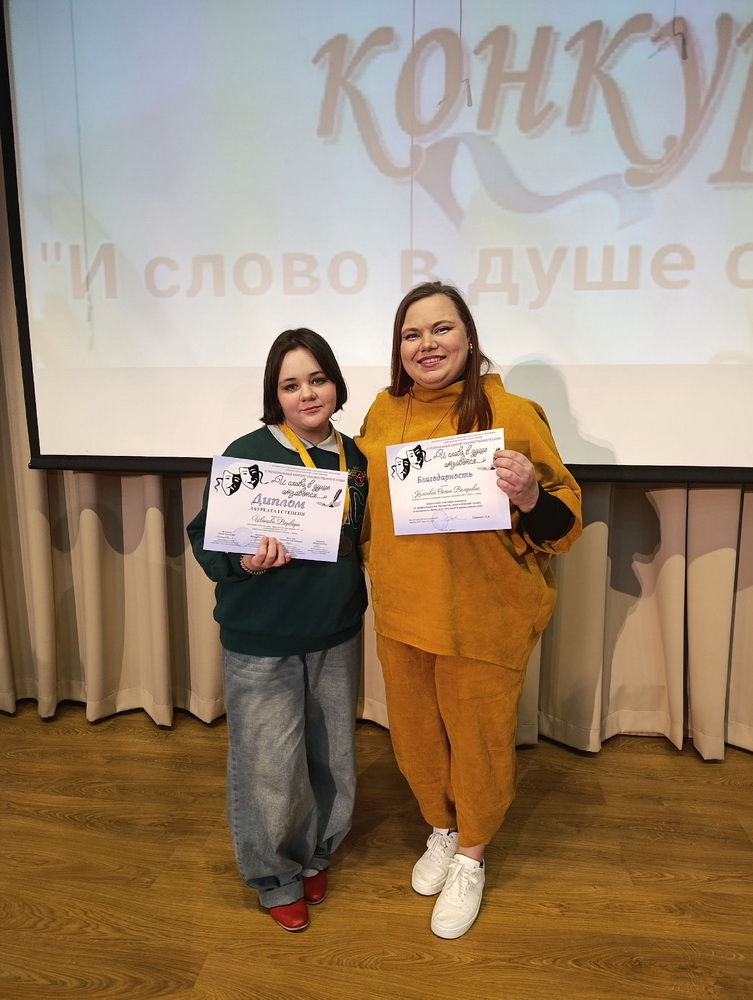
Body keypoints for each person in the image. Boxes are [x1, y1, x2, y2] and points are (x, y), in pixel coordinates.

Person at [355, 281, 581, 940]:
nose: (426, 344)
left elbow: (564, 520)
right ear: (398, 347)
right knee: (416, 740)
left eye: (441, 329)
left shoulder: (511, 412)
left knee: (478, 744)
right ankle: (442, 827)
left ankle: (472, 855)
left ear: (468, 336)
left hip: (484, 616)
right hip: (404, 612)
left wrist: (529, 493)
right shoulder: (382, 411)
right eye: (411, 334)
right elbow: (364, 500)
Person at [187, 328, 368, 933]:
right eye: (291, 385)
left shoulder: (357, 458)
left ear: (336, 383)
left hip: (336, 631)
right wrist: (244, 561)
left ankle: (317, 853)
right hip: (261, 638)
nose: (307, 393)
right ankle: (274, 875)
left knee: (332, 756)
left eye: (318, 379)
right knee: (269, 763)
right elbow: (205, 540)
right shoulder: (247, 454)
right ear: (275, 395)